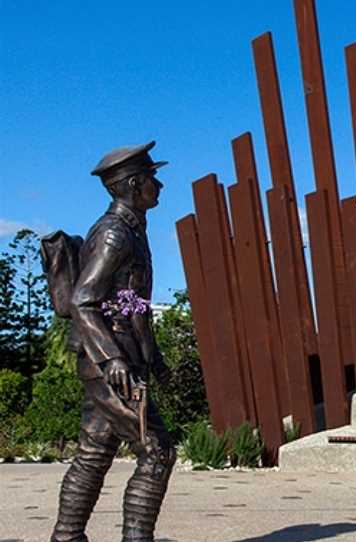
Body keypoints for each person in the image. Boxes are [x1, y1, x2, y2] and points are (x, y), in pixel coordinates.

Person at [51, 141, 175, 542]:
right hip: (111, 365)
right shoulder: (114, 235)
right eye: (152, 177)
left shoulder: (132, 232)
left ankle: (67, 537)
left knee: (94, 453)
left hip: (119, 360)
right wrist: (113, 361)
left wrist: (153, 358)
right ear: (134, 184)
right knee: (157, 452)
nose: (160, 185)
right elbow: (83, 300)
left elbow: (133, 305)